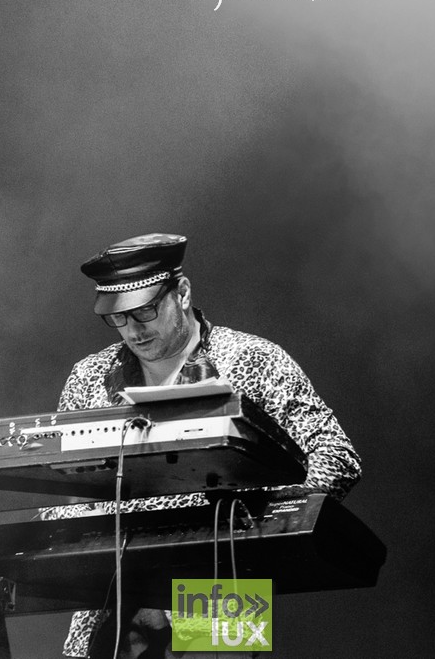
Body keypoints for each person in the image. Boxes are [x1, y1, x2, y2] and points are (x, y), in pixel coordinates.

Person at [43, 233, 362, 658]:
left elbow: (337, 456)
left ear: (183, 292)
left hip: (218, 577)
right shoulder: (89, 377)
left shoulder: (252, 359)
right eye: (118, 318)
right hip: (111, 590)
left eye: (145, 311)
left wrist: (260, 516)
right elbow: (67, 487)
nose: (133, 329)